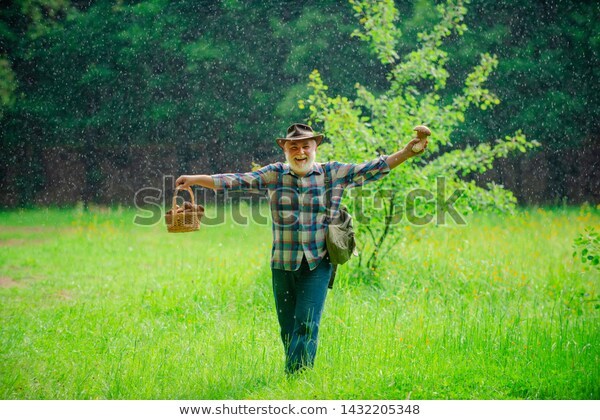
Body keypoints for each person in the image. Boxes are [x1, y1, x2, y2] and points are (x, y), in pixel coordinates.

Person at [175, 123, 428, 374]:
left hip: (318, 263)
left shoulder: (333, 173)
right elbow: (238, 180)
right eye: (293, 147)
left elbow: (373, 168)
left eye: (305, 146)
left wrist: (407, 153)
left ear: (315, 146)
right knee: (288, 328)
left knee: (306, 323)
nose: (300, 152)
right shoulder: (275, 175)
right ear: (285, 150)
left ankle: (297, 377)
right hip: (282, 263)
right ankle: (296, 372)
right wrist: (197, 180)